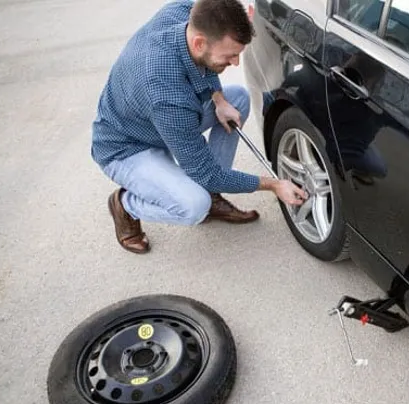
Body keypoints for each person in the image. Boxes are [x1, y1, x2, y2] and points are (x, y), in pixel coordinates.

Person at [90, 0, 307, 254]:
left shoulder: (185, 12)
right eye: (229, 56)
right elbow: (205, 172)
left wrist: (219, 99)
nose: (236, 62)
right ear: (199, 43)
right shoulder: (167, 95)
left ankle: (213, 196)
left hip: (154, 119)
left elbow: (211, 40)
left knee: (237, 98)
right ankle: (126, 205)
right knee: (194, 205)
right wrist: (273, 184)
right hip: (127, 147)